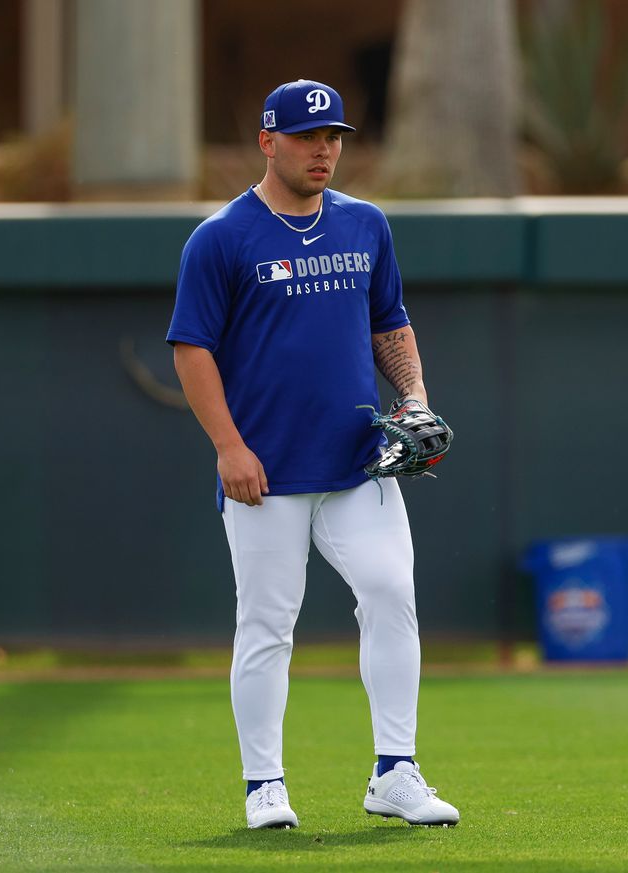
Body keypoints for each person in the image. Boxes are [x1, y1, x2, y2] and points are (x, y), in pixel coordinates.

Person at [166, 79, 460, 829]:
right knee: (268, 624)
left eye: (333, 136)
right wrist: (228, 445)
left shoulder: (365, 225)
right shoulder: (223, 237)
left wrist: (416, 397)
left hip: (359, 461)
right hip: (265, 469)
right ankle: (263, 783)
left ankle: (396, 770)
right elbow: (191, 349)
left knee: (392, 593)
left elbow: (390, 323)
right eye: (306, 136)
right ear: (268, 142)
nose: (323, 149)